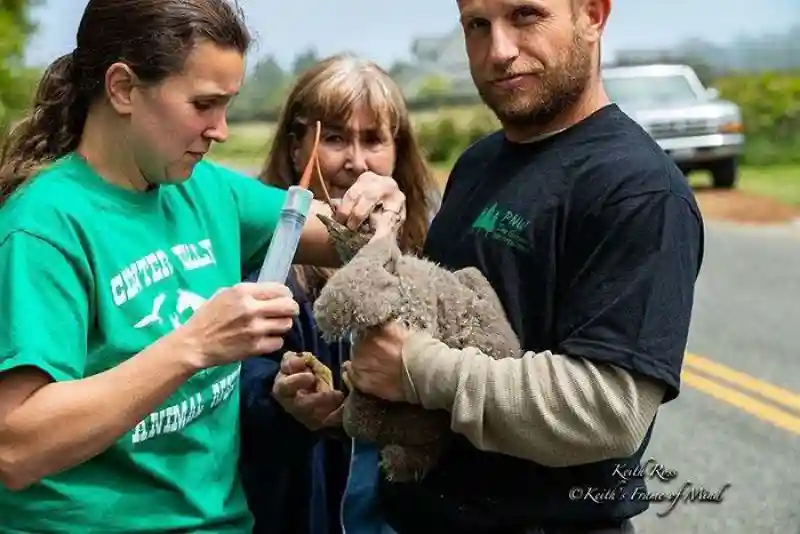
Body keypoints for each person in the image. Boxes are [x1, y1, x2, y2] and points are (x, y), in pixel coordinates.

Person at [0, 2, 405, 533]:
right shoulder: (42, 229)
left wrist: (381, 209)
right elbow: (16, 447)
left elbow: (348, 238)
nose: (221, 130)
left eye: (228, 104)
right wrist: (193, 346)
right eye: (204, 105)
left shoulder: (205, 191)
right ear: (122, 88)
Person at [332, 0, 706, 533]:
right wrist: (356, 394)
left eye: (526, 15)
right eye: (477, 26)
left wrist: (416, 368)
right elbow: (447, 324)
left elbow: (610, 410)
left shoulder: (636, 190)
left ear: (593, 16)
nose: (499, 51)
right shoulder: (479, 162)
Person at [238, 53, 440, 534]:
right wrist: (279, 399)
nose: (355, 162)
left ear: (398, 150)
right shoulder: (262, 254)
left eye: (373, 140)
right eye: (333, 139)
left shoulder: (430, 253)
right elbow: (232, 383)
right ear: (295, 147)